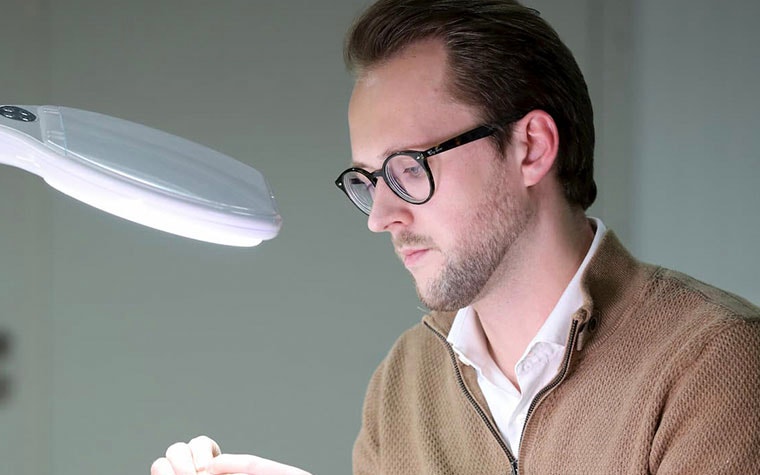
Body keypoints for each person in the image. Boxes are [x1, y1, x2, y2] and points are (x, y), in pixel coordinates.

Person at [150, 1, 760, 474]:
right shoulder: (406, 382)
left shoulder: (714, 366)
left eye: (409, 167)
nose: (379, 215)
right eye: (366, 179)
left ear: (531, 148)